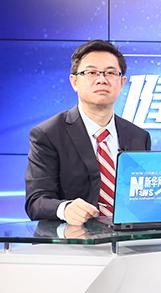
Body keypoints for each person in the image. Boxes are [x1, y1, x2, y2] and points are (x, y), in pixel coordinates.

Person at [25, 40, 151, 225]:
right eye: (91, 72)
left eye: (110, 73)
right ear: (74, 81)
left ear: (122, 82)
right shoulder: (48, 135)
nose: (102, 79)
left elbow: (143, 197)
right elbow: (36, 202)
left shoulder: (139, 137)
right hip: (73, 239)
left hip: (128, 237)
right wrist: (65, 209)